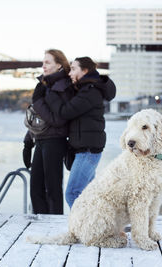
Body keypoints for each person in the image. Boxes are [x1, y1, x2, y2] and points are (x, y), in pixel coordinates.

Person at [43, 56, 116, 208]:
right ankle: (97, 226)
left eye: (74, 69)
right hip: (87, 149)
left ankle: (82, 227)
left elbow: (65, 112)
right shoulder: (85, 89)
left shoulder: (90, 91)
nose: (70, 73)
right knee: (90, 194)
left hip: (88, 150)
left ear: (85, 70)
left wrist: (51, 96)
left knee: (73, 193)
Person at [22, 49, 74, 214]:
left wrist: (37, 101)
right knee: (35, 187)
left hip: (55, 141)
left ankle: (55, 226)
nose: (43, 65)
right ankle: (41, 224)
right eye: (43, 62)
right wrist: (28, 141)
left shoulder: (64, 85)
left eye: (47, 62)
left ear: (59, 65)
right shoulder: (44, 85)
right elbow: (39, 118)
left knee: (53, 188)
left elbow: (59, 118)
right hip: (41, 140)